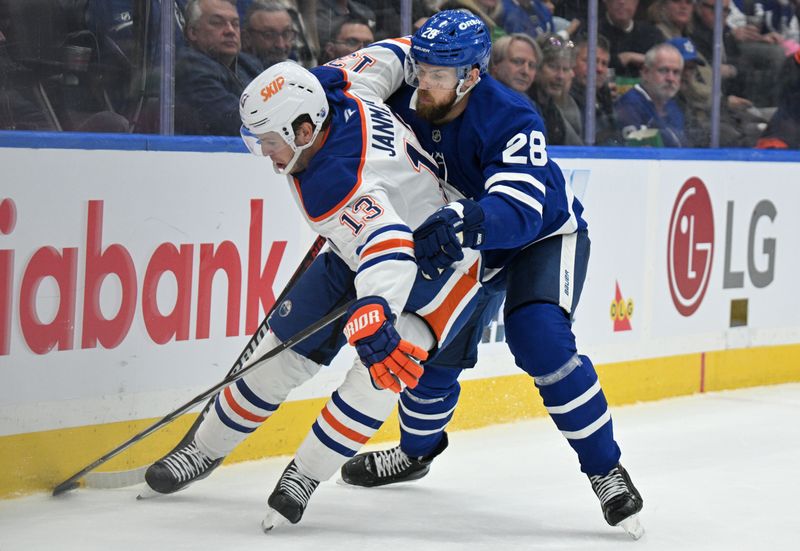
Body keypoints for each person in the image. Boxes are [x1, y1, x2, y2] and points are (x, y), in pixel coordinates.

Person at [143, 58, 498, 531]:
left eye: (270, 142)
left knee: (383, 368)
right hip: (365, 242)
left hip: (444, 263)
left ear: (305, 129)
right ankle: (202, 448)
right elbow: (402, 53)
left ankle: (304, 475)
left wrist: (374, 310)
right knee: (280, 355)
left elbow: (390, 249)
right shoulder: (337, 81)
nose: (267, 155)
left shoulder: (335, 182)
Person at [335, 10, 644, 539]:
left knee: (541, 340)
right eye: (422, 68)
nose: (424, 81)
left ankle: (605, 470)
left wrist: (461, 218)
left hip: (539, 238)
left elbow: (521, 210)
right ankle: (416, 453)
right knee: (427, 353)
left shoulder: (512, 117)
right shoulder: (404, 98)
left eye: (439, 74)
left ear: (472, 75)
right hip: (467, 242)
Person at [175, 0, 263, 135]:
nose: (230, 31)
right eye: (217, 23)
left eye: (235, 24)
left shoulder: (248, 64)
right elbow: (237, 123)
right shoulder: (190, 68)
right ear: (192, 32)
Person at [615, 42, 687, 147]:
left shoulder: (673, 106)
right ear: (645, 72)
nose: (671, 78)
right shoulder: (630, 105)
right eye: (663, 70)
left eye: (676, 72)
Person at [529, 34, 584, 144]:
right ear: (536, 67)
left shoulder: (554, 111)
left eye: (565, 69)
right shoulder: (523, 105)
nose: (560, 76)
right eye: (553, 66)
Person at [570, 36, 622, 144]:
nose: (600, 69)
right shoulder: (565, 100)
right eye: (591, 61)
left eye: (604, 64)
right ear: (572, 62)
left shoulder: (604, 97)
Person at [600, 0, 666, 78]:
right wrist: (622, 59)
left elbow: (664, 65)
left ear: (636, 2)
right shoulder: (591, 32)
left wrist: (631, 57)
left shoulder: (652, 34)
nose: (622, 1)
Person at [241, 1, 296, 68]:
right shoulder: (234, 76)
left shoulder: (296, 69)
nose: (280, 45)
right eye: (269, 35)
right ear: (247, 38)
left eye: (286, 34)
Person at [490, 33, 541, 97]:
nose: (525, 71)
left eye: (531, 65)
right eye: (517, 62)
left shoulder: (529, 104)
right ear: (495, 64)